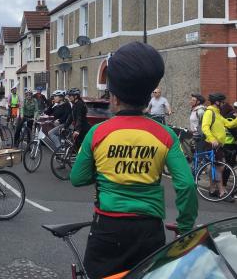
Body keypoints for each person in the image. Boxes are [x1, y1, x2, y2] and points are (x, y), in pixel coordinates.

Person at [70, 42, 198, 279]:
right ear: (149, 94)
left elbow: (77, 178)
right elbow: (187, 185)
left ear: (115, 97)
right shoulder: (165, 135)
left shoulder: (98, 133)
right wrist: (186, 226)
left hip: (107, 228)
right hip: (149, 231)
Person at [201, 92, 237, 201]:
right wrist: (212, 139)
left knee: (215, 166)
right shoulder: (209, 112)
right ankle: (222, 192)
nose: (223, 103)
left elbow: (228, 124)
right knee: (219, 167)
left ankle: (212, 190)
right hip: (211, 143)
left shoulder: (217, 113)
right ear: (217, 102)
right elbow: (205, 127)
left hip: (218, 145)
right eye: (222, 102)